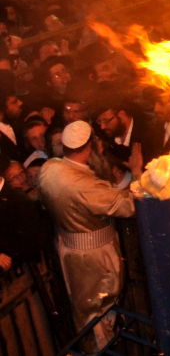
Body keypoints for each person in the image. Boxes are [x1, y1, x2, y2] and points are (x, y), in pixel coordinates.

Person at [37, 121, 140, 349]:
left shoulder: (49, 169)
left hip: (68, 251)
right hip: (95, 256)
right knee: (100, 310)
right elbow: (128, 206)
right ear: (89, 146)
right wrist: (136, 173)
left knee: (82, 307)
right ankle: (104, 348)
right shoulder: (85, 185)